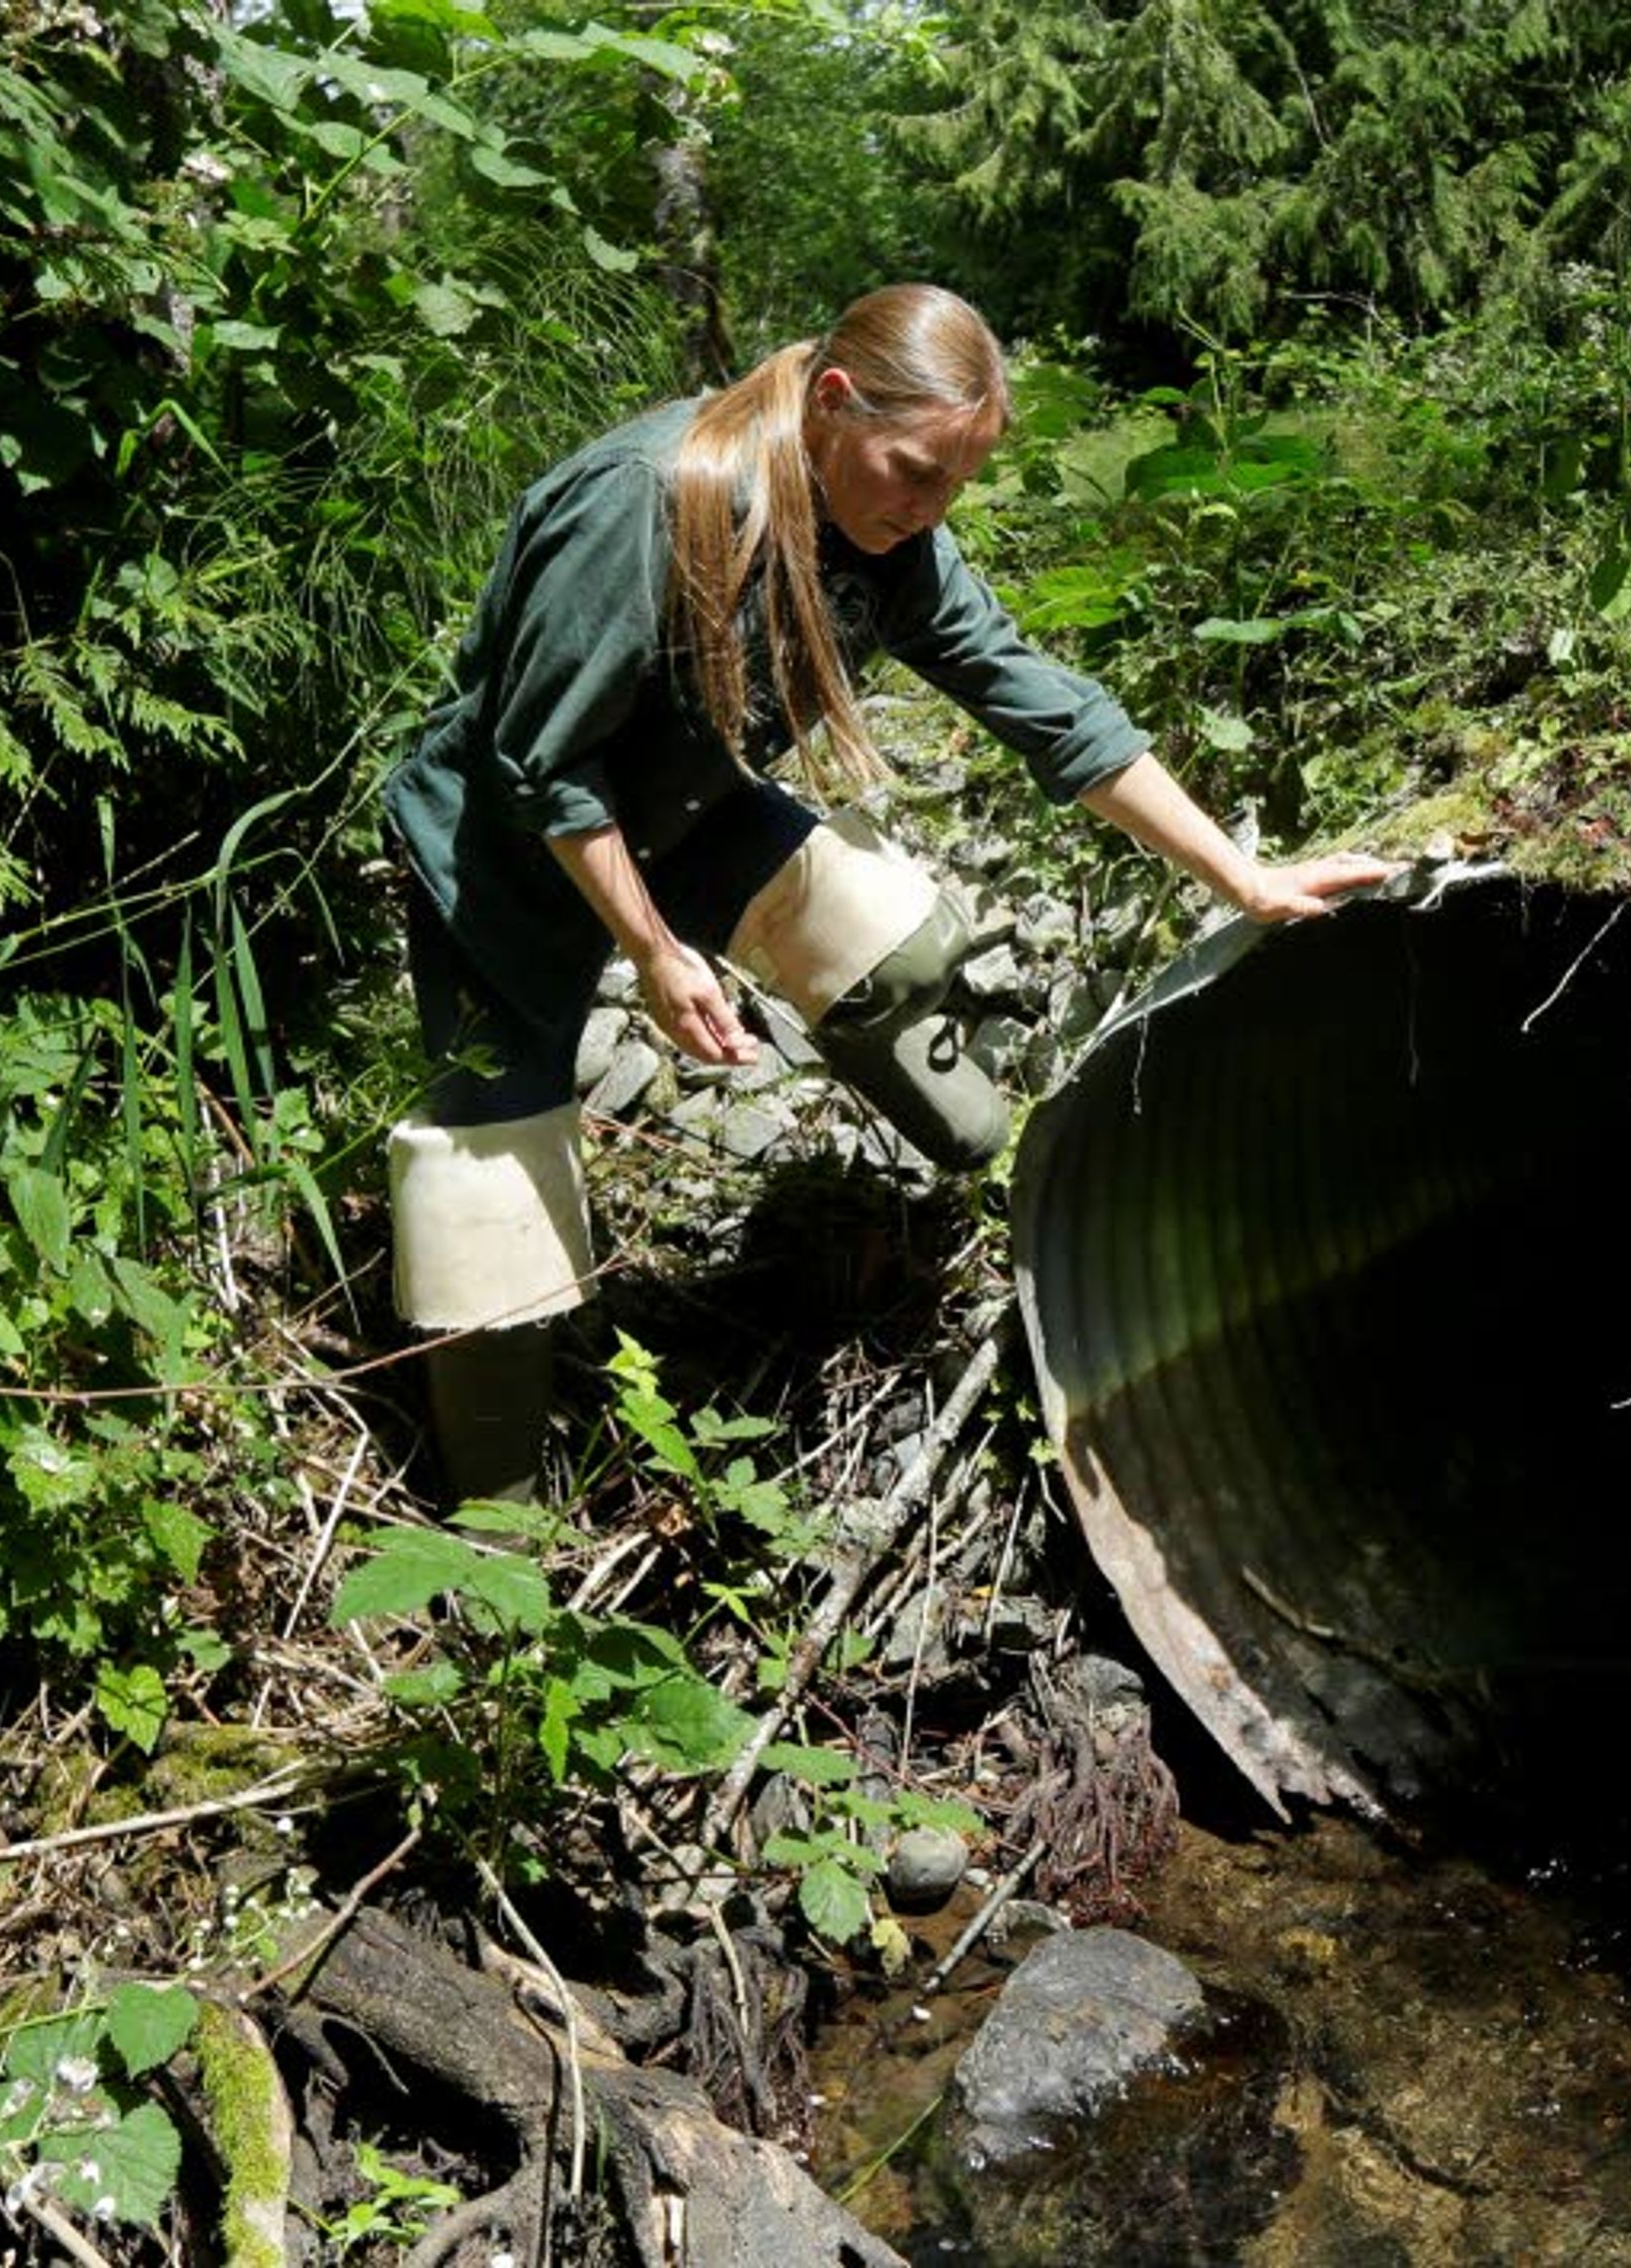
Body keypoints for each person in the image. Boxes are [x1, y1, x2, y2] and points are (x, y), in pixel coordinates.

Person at [383, 282, 1393, 1503]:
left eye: (956, 484)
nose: (929, 510)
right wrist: (652, 953)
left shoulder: (892, 538)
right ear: (833, 402)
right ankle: (493, 1518)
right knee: (489, 1194)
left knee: (898, 944)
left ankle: (970, 1183)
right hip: (510, 838)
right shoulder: (648, 504)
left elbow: (1041, 701)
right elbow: (540, 760)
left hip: (684, 799)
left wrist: (1241, 876)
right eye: (915, 471)